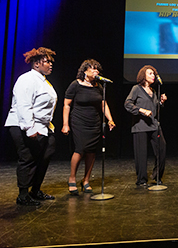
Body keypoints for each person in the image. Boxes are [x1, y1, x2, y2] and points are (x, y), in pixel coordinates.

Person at [5, 47, 57, 206]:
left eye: (50, 62)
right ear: (36, 64)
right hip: (23, 125)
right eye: (47, 61)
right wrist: (29, 128)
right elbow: (23, 105)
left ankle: (35, 190)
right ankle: (23, 195)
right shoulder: (27, 79)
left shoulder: (43, 81)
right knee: (28, 158)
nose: (50, 64)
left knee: (45, 155)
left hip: (42, 126)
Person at [62, 59, 115, 195]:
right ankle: (72, 178)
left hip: (94, 122)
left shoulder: (99, 86)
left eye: (97, 69)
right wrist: (65, 124)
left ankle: (86, 180)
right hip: (79, 121)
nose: (96, 71)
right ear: (84, 71)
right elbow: (67, 105)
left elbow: (103, 104)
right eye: (92, 69)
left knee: (91, 151)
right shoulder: (75, 85)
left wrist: (110, 119)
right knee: (80, 149)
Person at [124, 65, 167, 187]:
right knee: (141, 154)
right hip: (140, 125)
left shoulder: (153, 92)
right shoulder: (136, 89)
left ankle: (157, 176)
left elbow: (154, 109)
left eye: (154, 74)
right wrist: (141, 110)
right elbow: (127, 104)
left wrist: (161, 102)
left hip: (154, 125)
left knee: (162, 149)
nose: (153, 76)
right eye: (150, 73)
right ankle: (142, 180)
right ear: (143, 76)